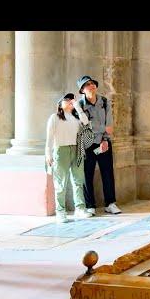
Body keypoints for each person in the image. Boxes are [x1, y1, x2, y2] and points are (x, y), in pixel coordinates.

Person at [76, 75, 121, 216]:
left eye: (92, 83)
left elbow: (109, 126)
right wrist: (100, 129)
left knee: (107, 173)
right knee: (86, 175)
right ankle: (90, 206)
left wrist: (105, 139)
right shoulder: (79, 106)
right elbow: (83, 127)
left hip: (103, 143)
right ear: (82, 90)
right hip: (88, 144)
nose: (91, 86)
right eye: (87, 84)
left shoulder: (104, 102)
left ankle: (110, 203)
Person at [45, 93, 94, 223]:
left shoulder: (75, 118)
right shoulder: (54, 118)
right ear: (60, 104)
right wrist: (48, 154)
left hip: (76, 149)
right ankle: (60, 212)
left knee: (78, 180)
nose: (69, 101)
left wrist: (78, 107)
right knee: (61, 183)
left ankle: (80, 208)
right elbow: (49, 138)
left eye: (71, 99)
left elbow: (86, 122)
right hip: (61, 150)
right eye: (66, 99)